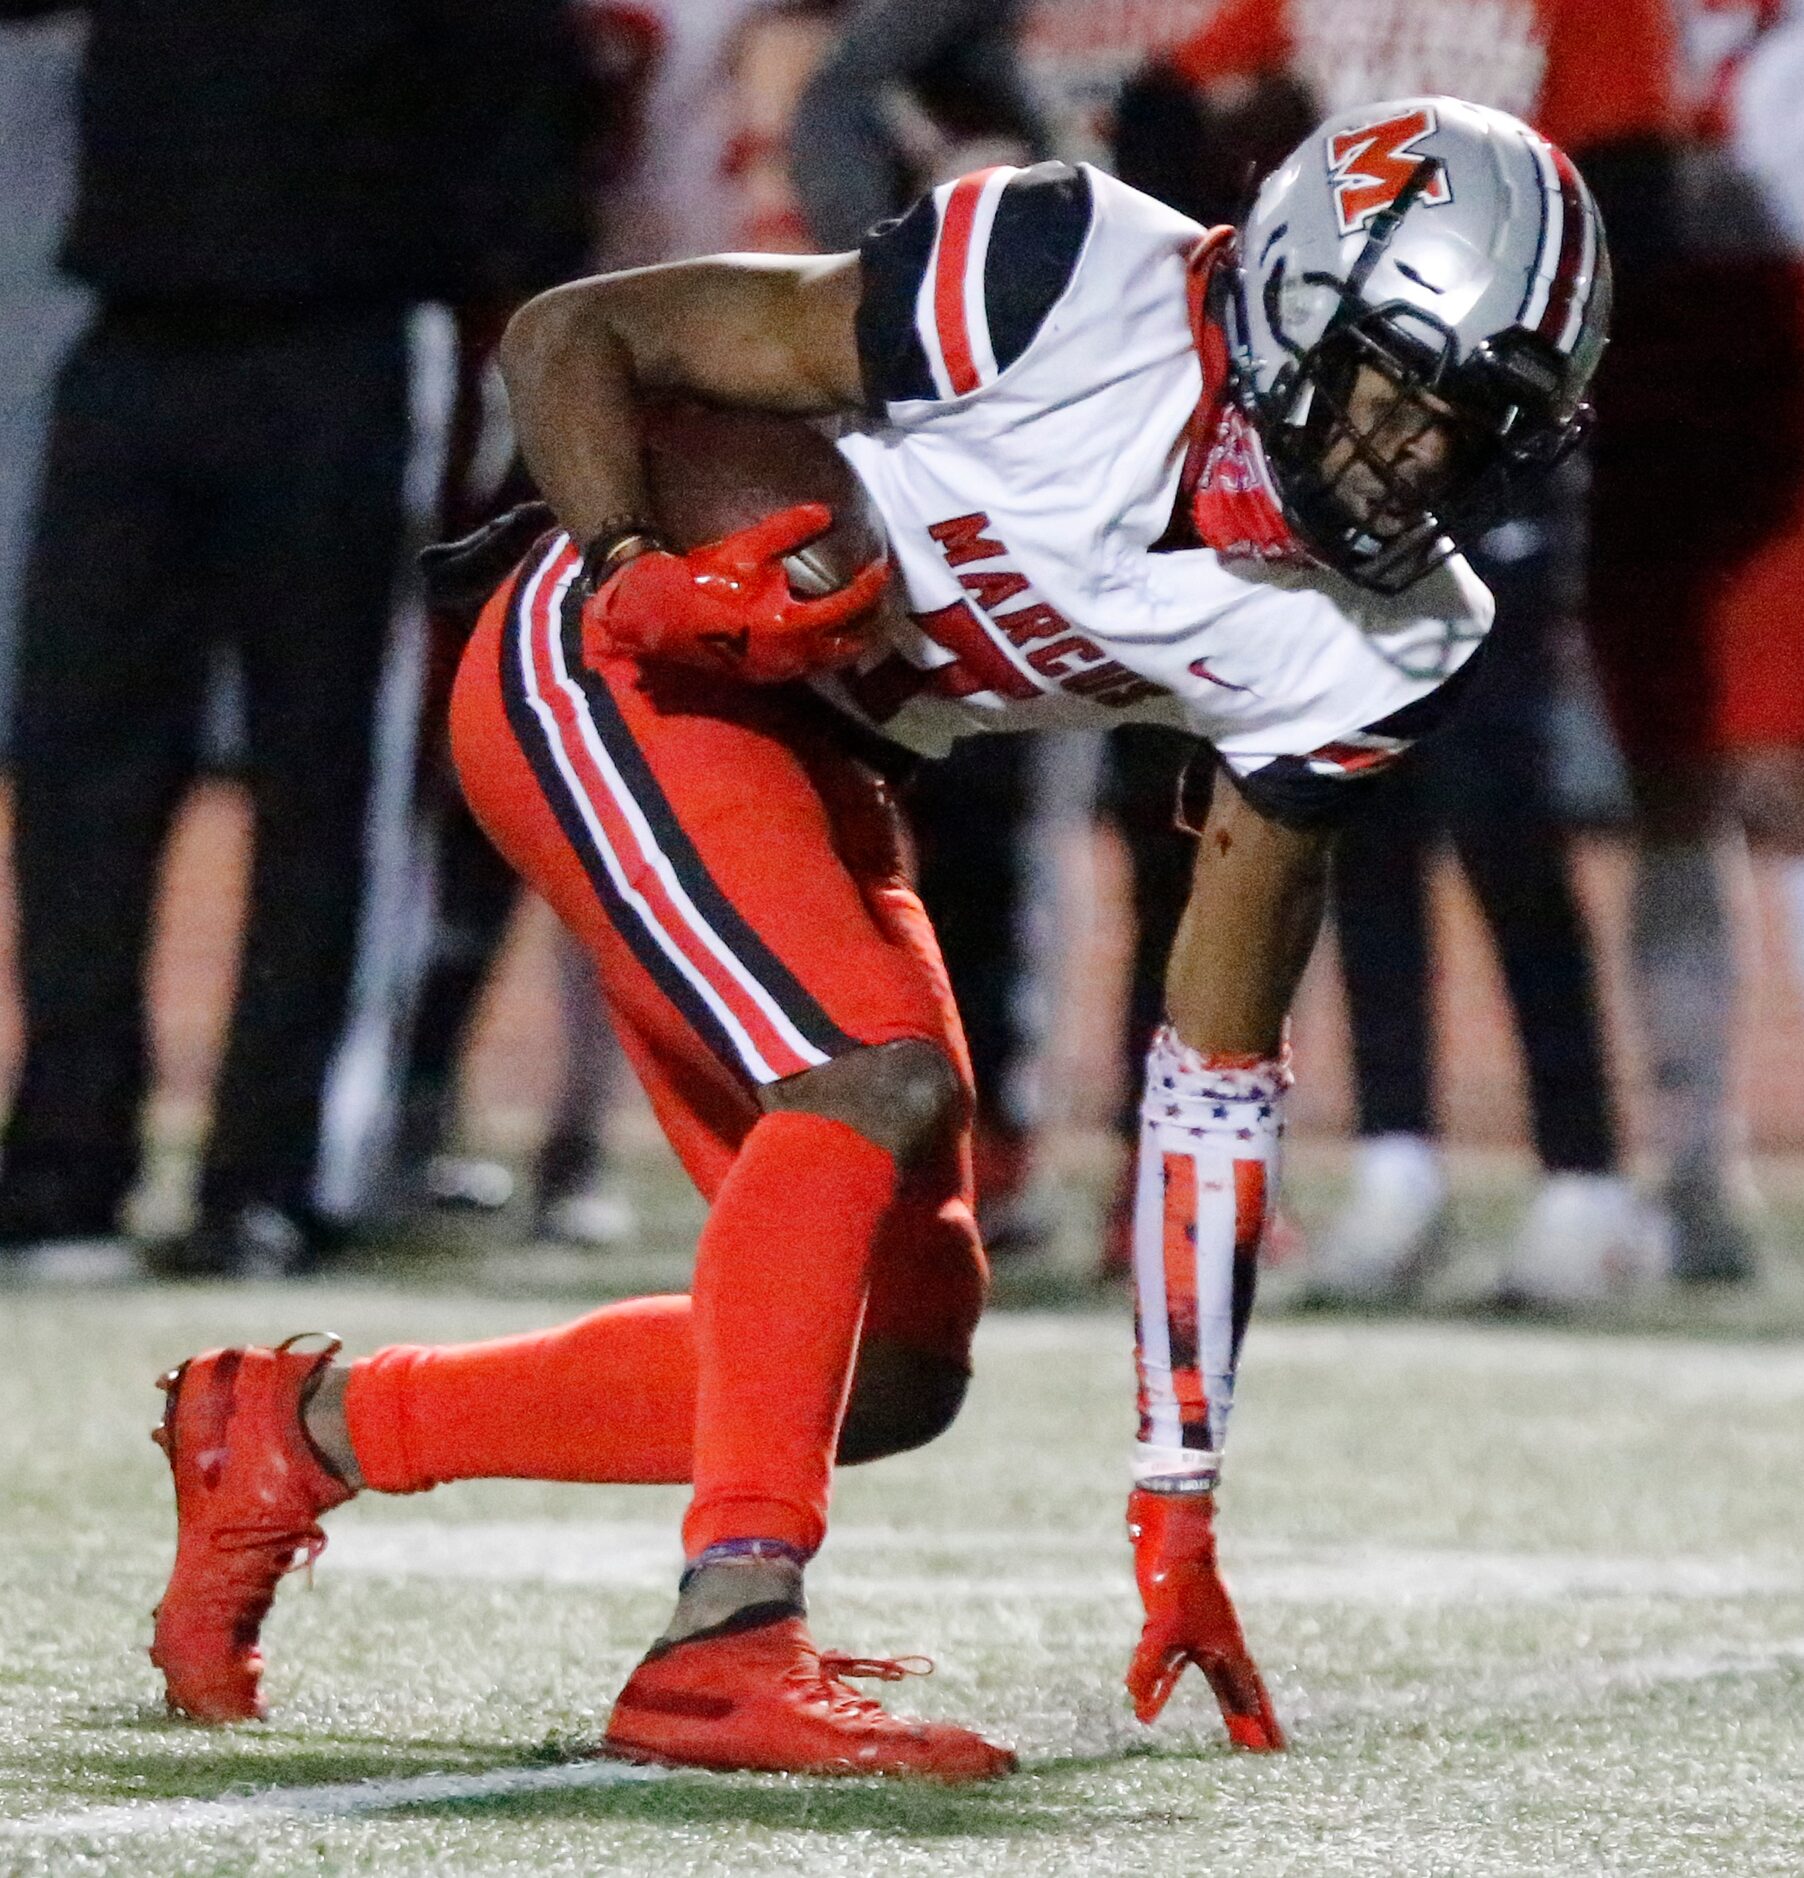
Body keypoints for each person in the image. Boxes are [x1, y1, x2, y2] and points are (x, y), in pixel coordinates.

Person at [146, 99, 1608, 1776]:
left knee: (897, 1361)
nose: (1419, 462)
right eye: (1401, 394)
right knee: (871, 1070)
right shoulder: (1065, 277)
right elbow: (577, 333)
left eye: (1473, 430)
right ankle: (723, 1640)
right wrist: (633, 563)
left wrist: (1175, 1495)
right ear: (1291, 297)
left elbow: (1213, 1076)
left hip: (814, 761)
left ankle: (291, 1429)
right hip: (614, 662)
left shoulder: (1392, 633)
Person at [0, 0, 592, 1276]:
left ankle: (276, 1177)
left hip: (357, 336)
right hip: (134, 327)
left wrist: (512, 337)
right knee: (77, 766)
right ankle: (61, 1163)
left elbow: (533, 115)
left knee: (333, 775)